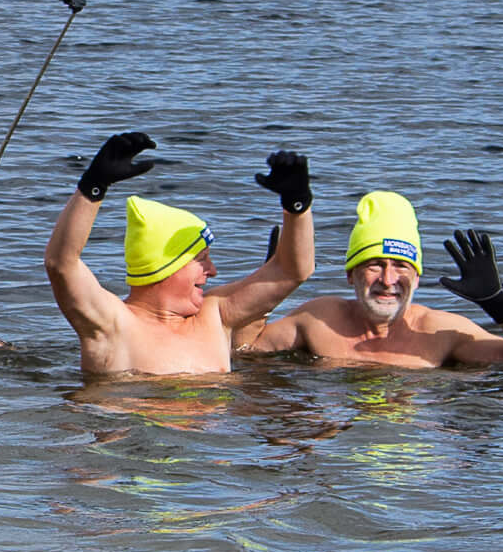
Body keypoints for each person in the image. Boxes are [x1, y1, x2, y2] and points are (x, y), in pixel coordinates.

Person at [45, 131, 314, 378]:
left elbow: (293, 272)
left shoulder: (215, 316)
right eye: (201, 259)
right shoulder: (113, 324)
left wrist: (298, 206)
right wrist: (93, 186)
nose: (213, 271)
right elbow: (61, 265)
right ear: (166, 265)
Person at [240, 191, 503, 367]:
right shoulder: (318, 319)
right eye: (375, 265)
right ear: (351, 274)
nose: (388, 280)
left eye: (401, 267)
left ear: (417, 277)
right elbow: (243, 351)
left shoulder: (440, 332)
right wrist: (270, 288)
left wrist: (502, 306)